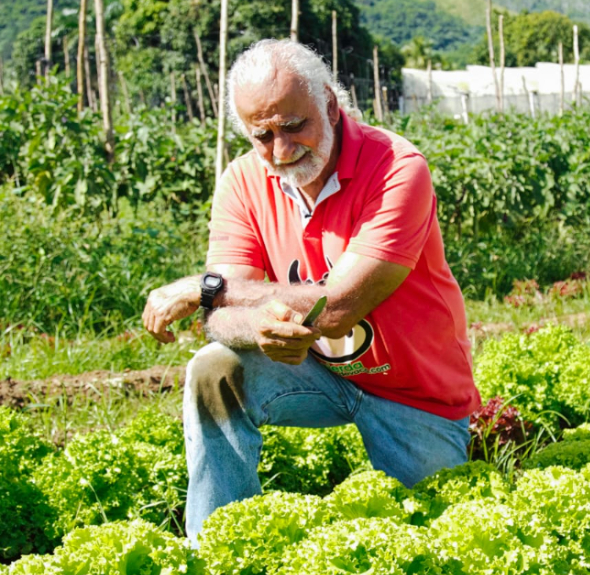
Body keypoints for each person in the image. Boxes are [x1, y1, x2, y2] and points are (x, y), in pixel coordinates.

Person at [141, 39, 480, 545]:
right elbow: (217, 317)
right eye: (262, 135)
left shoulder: (397, 169)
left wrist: (208, 288)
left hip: (417, 391)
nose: (281, 150)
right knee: (214, 369)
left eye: (295, 126)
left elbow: (338, 308)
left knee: (443, 538)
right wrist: (253, 324)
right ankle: (216, 547)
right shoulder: (242, 182)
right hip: (316, 372)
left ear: (329, 102)